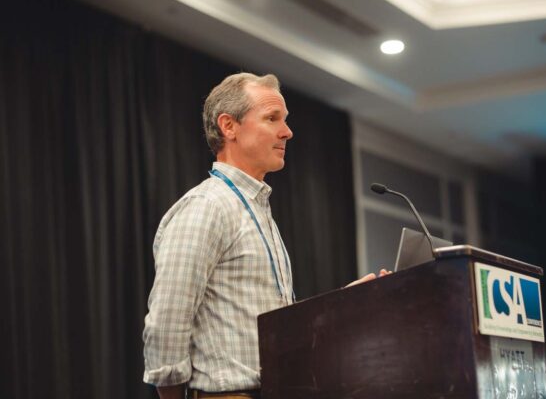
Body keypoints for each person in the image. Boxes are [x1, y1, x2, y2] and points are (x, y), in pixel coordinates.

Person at [142, 72, 387, 399]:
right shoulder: (206, 207)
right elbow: (167, 323)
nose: (287, 131)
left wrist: (341, 304)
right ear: (229, 126)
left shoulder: (255, 208)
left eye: (285, 120)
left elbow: (277, 330)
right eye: (272, 118)